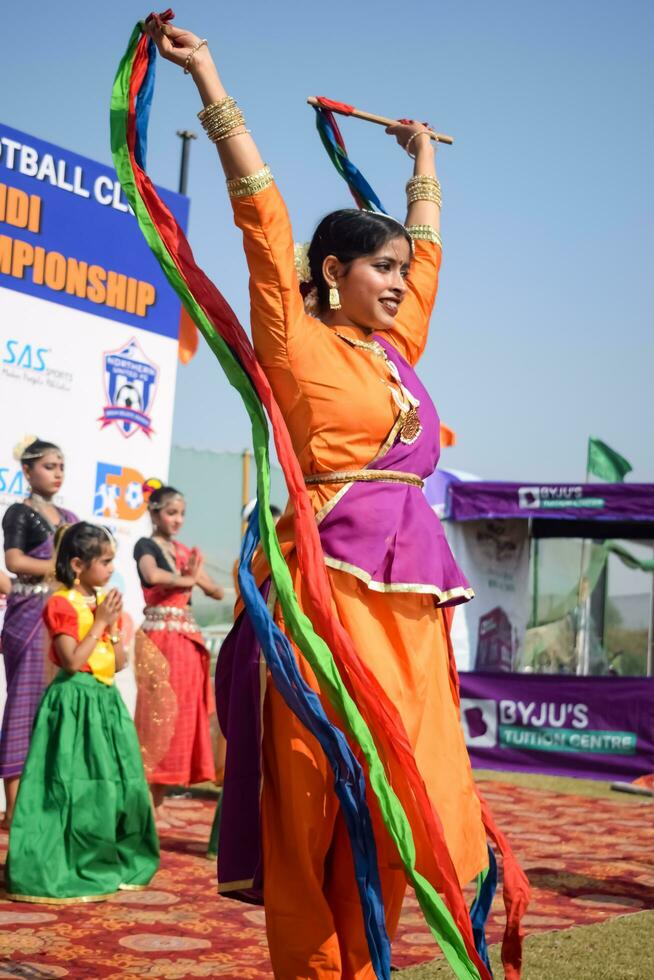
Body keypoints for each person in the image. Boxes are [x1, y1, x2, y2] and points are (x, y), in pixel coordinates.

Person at [147, 19, 497, 978]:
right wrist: (210, 82)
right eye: (377, 268)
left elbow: (428, 254)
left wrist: (423, 161)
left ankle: (374, 955)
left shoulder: (397, 350)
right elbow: (262, 220)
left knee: (401, 798)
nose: (397, 282)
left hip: (411, 608)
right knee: (316, 794)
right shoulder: (295, 341)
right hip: (323, 600)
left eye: (397, 269)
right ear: (332, 273)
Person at [6, 522, 159, 902]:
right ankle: (63, 861)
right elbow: (72, 661)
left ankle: (107, 857)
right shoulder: (62, 603)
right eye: (105, 562)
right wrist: (101, 623)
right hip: (74, 704)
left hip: (105, 703)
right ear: (78, 564)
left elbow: (119, 662)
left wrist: (112, 630)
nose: (110, 569)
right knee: (72, 787)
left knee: (115, 787)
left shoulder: (99, 603)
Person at [133, 482, 224, 825]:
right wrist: (188, 580)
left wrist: (198, 577)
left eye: (182, 514)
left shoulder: (184, 553)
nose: (177, 520)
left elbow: (215, 592)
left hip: (185, 642)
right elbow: (150, 574)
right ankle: (146, 807)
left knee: (179, 721)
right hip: (160, 641)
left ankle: (159, 803)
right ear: (154, 512)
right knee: (156, 718)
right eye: (171, 513)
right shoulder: (146, 546)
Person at [0, 436, 77, 828]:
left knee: (61, 707)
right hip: (30, 617)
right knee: (24, 708)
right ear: (27, 471)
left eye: (62, 465)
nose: (58, 473)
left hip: (66, 616)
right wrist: (60, 569)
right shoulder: (19, 513)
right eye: (50, 466)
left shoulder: (71, 516)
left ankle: (51, 800)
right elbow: (13, 561)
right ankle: (14, 810)